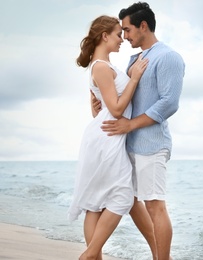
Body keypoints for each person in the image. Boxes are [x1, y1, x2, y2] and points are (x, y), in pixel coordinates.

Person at [95, 2, 185, 260]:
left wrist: (131, 124)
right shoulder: (135, 59)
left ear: (143, 26)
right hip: (129, 144)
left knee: (155, 205)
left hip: (152, 144)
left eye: (127, 29)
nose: (124, 36)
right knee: (131, 202)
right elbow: (129, 98)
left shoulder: (168, 57)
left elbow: (169, 103)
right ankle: (157, 253)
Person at [68, 15, 150, 260]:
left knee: (95, 202)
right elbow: (115, 110)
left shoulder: (102, 66)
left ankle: (94, 257)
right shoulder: (101, 67)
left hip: (105, 135)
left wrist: (99, 106)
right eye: (117, 34)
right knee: (123, 196)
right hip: (108, 139)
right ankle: (89, 254)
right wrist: (134, 79)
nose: (122, 40)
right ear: (104, 36)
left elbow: (99, 110)